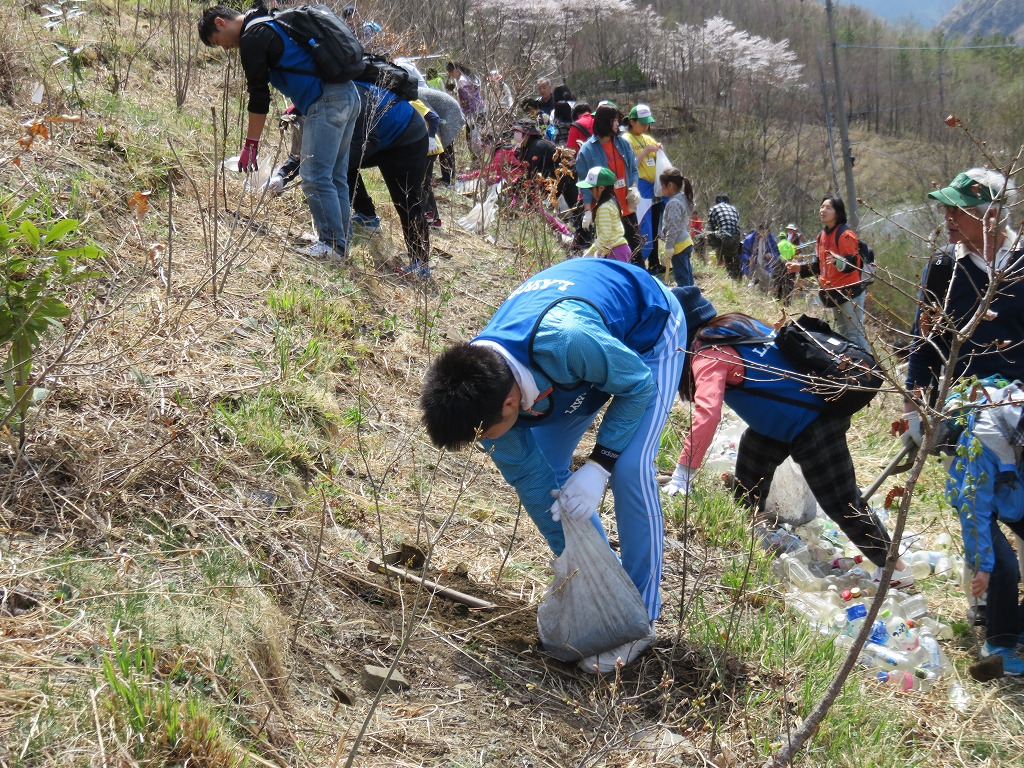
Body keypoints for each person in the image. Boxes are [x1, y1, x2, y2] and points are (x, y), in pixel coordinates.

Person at [420, 259, 686, 673]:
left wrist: (600, 465)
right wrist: (587, 578)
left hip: (647, 336)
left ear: (511, 405)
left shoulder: (566, 341)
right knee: (549, 475)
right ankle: (615, 603)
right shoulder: (483, 392)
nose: (488, 444)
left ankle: (640, 619)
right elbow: (535, 485)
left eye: (485, 436)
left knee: (630, 468)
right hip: (581, 366)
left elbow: (635, 385)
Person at [664, 288, 905, 576]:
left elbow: (708, 413)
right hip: (793, 416)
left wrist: (684, 471)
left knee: (842, 502)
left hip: (812, 423)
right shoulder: (736, 325)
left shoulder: (709, 352)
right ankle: (746, 526)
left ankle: (894, 569)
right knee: (753, 451)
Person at [900, 168, 1024, 672]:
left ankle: (1003, 616)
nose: (946, 218)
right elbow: (924, 343)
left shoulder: (1021, 266)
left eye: (958, 209)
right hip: (962, 414)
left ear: (991, 214)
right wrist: (915, 408)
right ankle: (997, 631)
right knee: (984, 518)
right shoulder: (942, 267)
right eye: (945, 208)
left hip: (1020, 418)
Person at [198, 4, 361, 261]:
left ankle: (331, 246)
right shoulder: (270, 20)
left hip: (327, 101)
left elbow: (259, 96)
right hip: (348, 95)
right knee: (335, 176)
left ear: (221, 22)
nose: (226, 49)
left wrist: (250, 145)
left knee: (315, 176)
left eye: (219, 42)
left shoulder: (253, 37)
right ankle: (340, 241)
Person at [347, 80, 430, 278]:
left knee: (407, 201)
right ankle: (366, 215)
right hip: (383, 135)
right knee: (340, 163)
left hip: (407, 136)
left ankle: (421, 264)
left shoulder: (352, 93)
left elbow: (370, 141)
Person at [787, 196, 869, 350]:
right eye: (822, 207)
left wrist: (840, 262)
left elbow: (853, 264)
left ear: (837, 213)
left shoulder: (845, 234)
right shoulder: (821, 236)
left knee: (855, 334)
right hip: (834, 293)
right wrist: (799, 267)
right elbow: (819, 266)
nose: (822, 210)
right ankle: (853, 367)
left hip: (850, 292)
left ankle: (868, 369)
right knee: (843, 334)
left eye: (828, 207)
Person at [574, 102, 641, 263]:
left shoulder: (623, 144)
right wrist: (588, 210)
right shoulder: (587, 150)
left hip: (626, 207)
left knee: (636, 253)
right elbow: (585, 182)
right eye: (615, 120)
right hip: (607, 211)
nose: (618, 124)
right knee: (612, 255)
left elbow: (633, 169)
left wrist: (634, 187)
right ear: (606, 122)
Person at [625, 104, 664, 275]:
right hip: (640, 187)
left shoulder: (648, 139)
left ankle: (654, 262)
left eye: (647, 124)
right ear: (632, 122)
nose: (645, 127)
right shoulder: (627, 139)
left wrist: (659, 150)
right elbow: (631, 163)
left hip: (654, 187)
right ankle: (641, 261)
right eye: (642, 123)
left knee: (655, 224)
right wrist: (646, 151)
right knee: (644, 225)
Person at [418, 86, 465, 223]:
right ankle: (432, 216)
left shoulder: (414, 98)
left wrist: (432, 139)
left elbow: (433, 118)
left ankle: (429, 213)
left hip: (450, 115)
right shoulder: (411, 96)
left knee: (423, 176)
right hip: (438, 121)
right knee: (424, 177)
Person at [578, 166, 631, 262]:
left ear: (601, 188)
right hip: (617, 249)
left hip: (615, 251)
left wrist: (591, 252)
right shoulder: (611, 202)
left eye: (591, 188)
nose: (590, 191)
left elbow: (605, 235)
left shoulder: (604, 208)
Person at [658, 168, 695, 286]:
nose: (661, 188)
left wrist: (668, 247)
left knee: (682, 278)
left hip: (679, 245)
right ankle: (692, 297)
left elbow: (673, 227)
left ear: (669, 185)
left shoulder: (673, 203)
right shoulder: (682, 198)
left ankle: (686, 300)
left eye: (662, 186)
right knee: (687, 275)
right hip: (685, 242)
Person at [739, 223, 782, 297]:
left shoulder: (771, 239)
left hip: (766, 266)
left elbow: (777, 253)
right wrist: (749, 258)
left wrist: (771, 255)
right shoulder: (749, 239)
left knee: (763, 287)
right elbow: (742, 254)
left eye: (767, 232)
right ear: (759, 230)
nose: (766, 234)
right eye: (764, 232)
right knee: (767, 278)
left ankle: (759, 298)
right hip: (752, 267)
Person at [706, 194, 742, 279]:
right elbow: (737, 225)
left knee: (727, 259)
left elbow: (710, 228)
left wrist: (713, 244)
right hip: (736, 236)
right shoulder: (734, 209)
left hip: (725, 236)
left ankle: (721, 264)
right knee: (733, 257)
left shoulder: (714, 209)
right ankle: (737, 277)